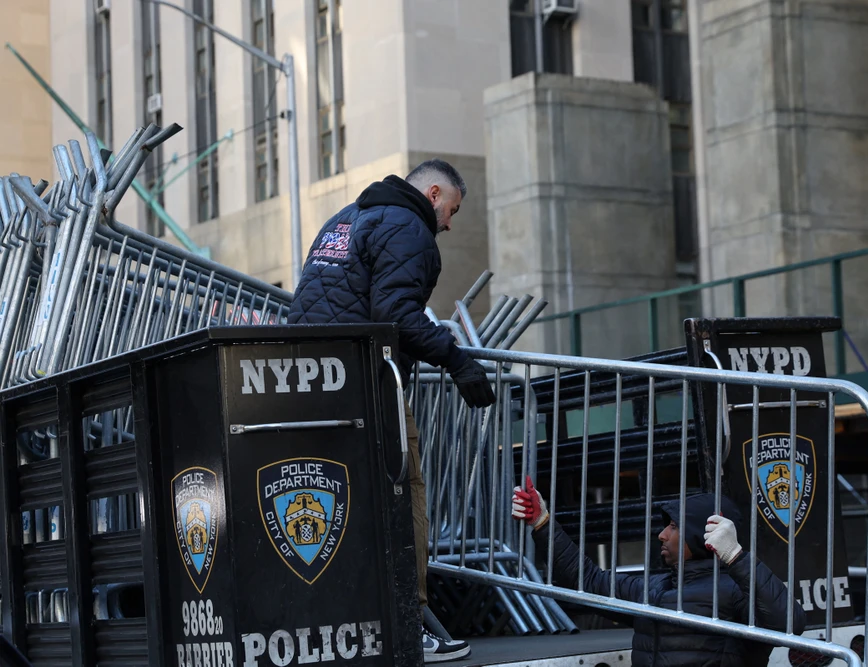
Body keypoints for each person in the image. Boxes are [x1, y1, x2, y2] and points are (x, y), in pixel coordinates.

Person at [290, 159, 496, 663]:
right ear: (432, 194)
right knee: (405, 491)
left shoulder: (343, 219)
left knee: (342, 503)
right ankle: (408, 623)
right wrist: (458, 361)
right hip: (365, 379)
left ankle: (347, 624)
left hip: (305, 381)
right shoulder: (409, 227)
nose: (449, 223)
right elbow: (396, 314)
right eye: (452, 209)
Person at [512, 478, 806, 666]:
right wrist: (542, 523)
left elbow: (790, 625)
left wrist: (735, 556)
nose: (662, 535)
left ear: (699, 534)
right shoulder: (652, 588)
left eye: (674, 526)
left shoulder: (734, 591)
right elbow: (588, 581)